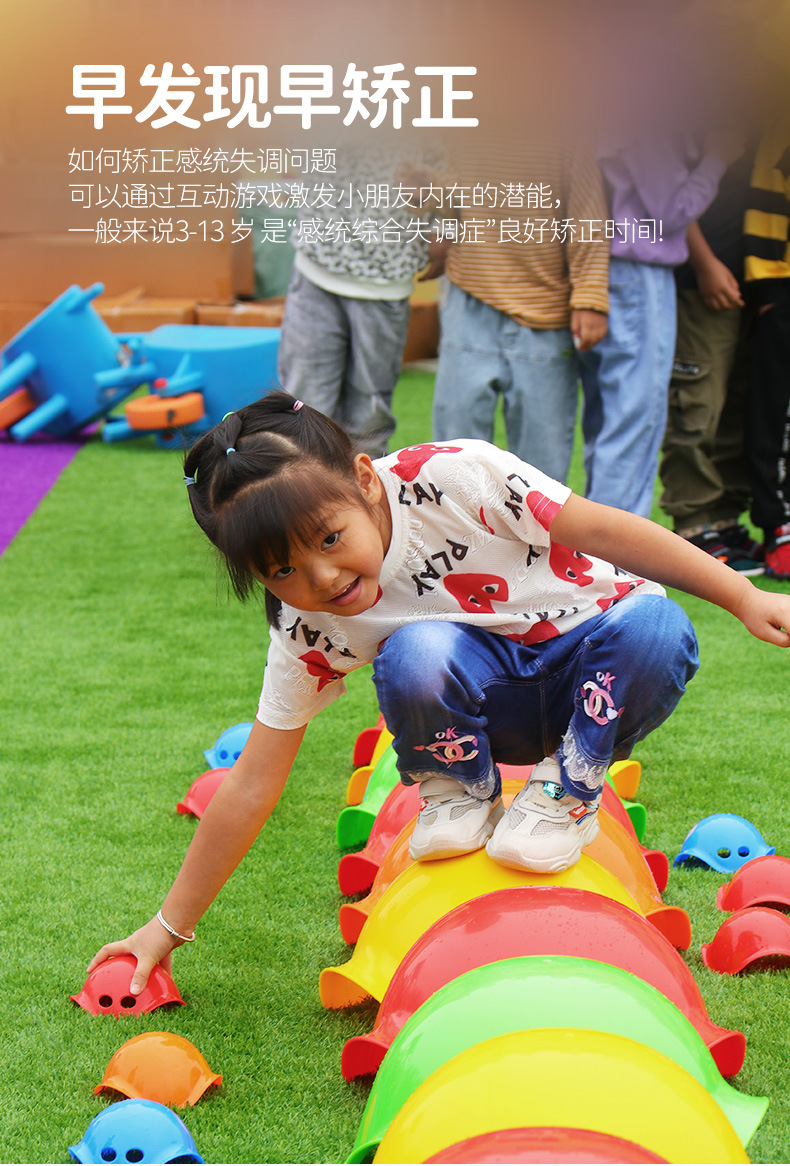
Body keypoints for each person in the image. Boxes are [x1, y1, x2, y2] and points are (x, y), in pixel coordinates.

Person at [88, 392, 790, 994]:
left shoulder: (453, 479)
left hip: (594, 674)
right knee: (415, 648)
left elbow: (604, 528)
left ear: (365, 480)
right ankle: (459, 790)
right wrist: (166, 928)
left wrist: (742, 595)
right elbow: (251, 784)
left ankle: (570, 788)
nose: (322, 578)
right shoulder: (307, 626)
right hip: (482, 712)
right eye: (281, 571)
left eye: (329, 538)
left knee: (656, 625)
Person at [399, 139, 610, 484]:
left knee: (541, 469)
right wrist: (430, 191)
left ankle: (533, 524)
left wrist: (590, 297)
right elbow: (461, 195)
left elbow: (588, 214)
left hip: (545, 312)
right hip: (470, 298)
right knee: (453, 455)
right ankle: (458, 522)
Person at [578, 130, 739, 518]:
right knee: (635, 421)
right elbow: (672, 210)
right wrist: (717, 159)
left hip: (597, 266)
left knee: (606, 421)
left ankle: (595, 544)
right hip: (637, 273)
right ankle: (613, 550)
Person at [277, 141, 444, 460]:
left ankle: (364, 491)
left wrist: (444, 228)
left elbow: (451, 167)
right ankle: (300, 492)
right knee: (302, 414)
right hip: (316, 262)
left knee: (369, 422)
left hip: (387, 275)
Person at [659, 153, 763, 573]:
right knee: (696, 403)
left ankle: (724, 517)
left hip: (756, 276)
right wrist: (703, 263)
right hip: (702, 275)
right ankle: (693, 523)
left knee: (739, 403)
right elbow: (671, 190)